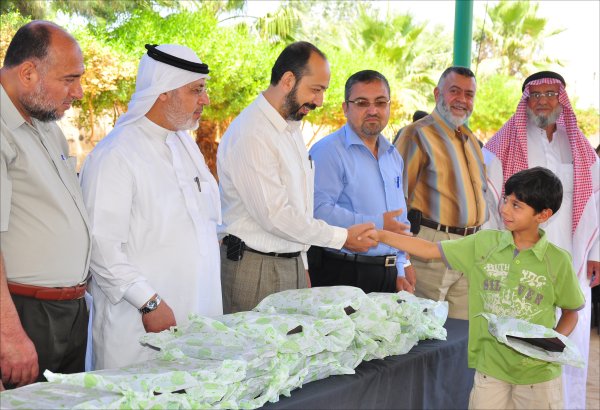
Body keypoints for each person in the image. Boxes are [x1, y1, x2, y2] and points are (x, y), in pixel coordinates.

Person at [375, 167, 584, 410]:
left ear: (543, 214)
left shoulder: (557, 261)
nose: (504, 209)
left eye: (516, 205)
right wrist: (381, 236)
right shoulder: (484, 243)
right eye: (506, 200)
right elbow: (430, 250)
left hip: (538, 377)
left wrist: (550, 345)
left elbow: (571, 311)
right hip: (490, 369)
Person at [79, 44, 222, 370]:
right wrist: (148, 301)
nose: (205, 99)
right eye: (196, 90)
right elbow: (101, 246)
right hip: (138, 325)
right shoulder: (115, 154)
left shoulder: (184, 144)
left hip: (197, 317)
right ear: (163, 91)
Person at [217, 41, 377, 314]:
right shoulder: (253, 132)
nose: (319, 101)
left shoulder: (289, 127)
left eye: (323, 91)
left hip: (290, 264)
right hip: (256, 269)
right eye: (316, 89)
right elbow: (275, 216)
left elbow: (299, 208)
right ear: (288, 80)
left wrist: (302, 266)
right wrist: (341, 238)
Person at [484, 70, 599, 410]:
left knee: (572, 334)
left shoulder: (578, 146)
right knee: (526, 332)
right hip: (523, 256)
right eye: (535, 95)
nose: (543, 101)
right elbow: (491, 204)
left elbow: (595, 202)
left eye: (550, 94)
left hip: (571, 256)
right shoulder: (505, 144)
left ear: (561, 98)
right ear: (526, 100)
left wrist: (596, 251)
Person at [0, 21, 90, 388]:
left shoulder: (47, 126)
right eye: (69, 79)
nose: (78, 92)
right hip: (24, 314)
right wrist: (8, 333)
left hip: (69, 312)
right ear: (27, 73)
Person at [307, 70, 414, 293]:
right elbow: (317, 211)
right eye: (362, 103)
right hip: (342, 271)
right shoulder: (328, 152)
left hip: (388, 275)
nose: (373, 110)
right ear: (345, 108)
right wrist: (377, 223)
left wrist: (401, 267)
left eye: (380, 102)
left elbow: (399, 220)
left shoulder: (393, 156)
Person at [395, 66, 487, 319]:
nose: (462, 100)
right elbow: (396, 198)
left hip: (469, 248)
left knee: (463, 331)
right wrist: (403, 260)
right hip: (430, 247)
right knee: (425, 328)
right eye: (454, 91)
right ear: (437, 94)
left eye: (469, 94)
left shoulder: (470, 139)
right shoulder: (416, 135)